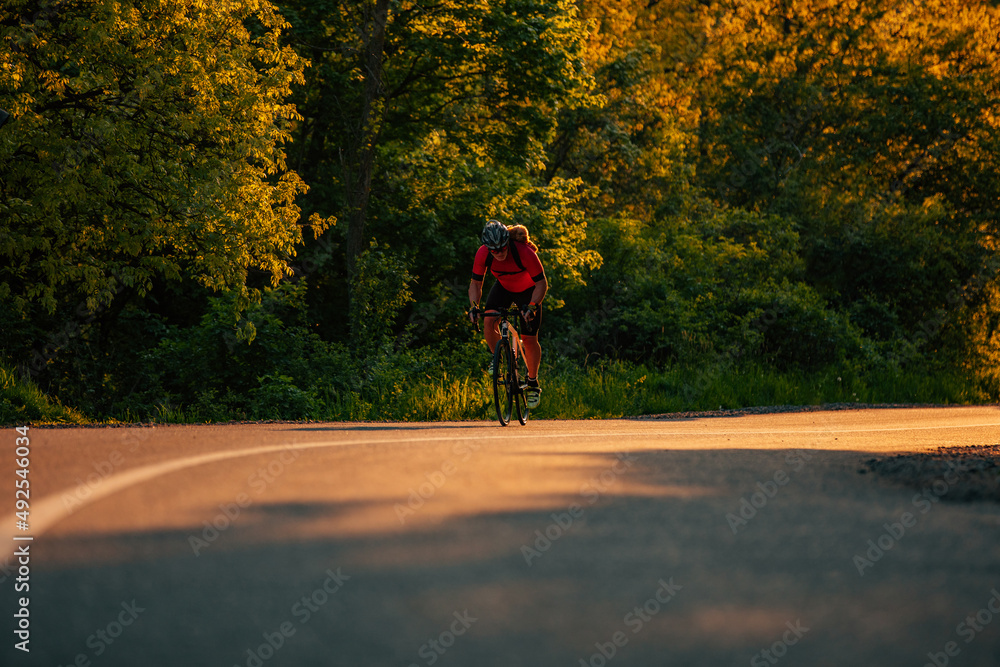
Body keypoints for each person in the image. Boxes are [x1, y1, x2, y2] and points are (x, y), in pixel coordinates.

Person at [468, 219, 547, 408]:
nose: (499, 253)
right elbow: (476, 284)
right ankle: (500, 357)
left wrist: (533, 306)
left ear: (507, 243)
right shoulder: (483, 253)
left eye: (502, 248)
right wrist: (473, 306)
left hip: (528, 292)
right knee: (488, 320)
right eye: (494, 251)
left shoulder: (523, 252)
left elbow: (542, 284)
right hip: (503, 287)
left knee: (529, 338)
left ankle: (533, 382)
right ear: (488, 248)